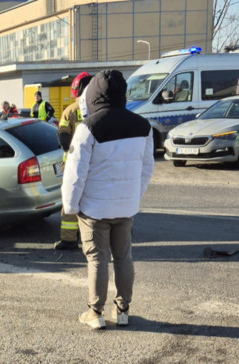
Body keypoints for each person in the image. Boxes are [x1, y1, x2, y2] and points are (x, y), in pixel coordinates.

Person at [62, 69, 154, 330]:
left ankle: (95, 312)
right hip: (126, 207)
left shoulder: (87, 128)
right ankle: (123, 310)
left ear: (95, 94)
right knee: (124, 257)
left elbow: (75, 175)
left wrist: (71, 206)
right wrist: (134, 197)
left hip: (94, 208)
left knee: (97, 259)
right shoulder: (143, 126)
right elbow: (147, 167)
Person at [54, 71, 92, 251]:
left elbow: (63, 139)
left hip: (73, 166)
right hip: (95, 165)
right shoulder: (99, 110)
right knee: (91, 202)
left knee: (70, 201)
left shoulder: (70, 111)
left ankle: (69, 239)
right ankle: (92, 239)